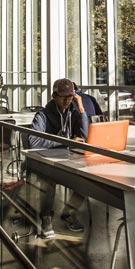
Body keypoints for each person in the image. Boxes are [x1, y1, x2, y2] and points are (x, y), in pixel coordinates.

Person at [29, 78, 88, 238]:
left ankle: (69, 213)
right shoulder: (42, 115)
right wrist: (65, 143)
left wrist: (81, 108)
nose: (67, 101)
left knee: (85, 179)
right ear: (54, 96)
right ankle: (46, 217)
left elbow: (84, 136)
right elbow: (34, 142)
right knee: (49, 181)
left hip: (67, 159)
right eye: (63, 97)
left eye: (70, 97)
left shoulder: (73, 112)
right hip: (46, 161)